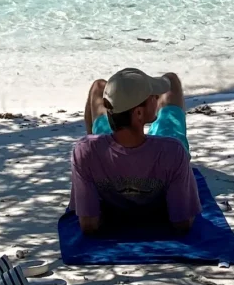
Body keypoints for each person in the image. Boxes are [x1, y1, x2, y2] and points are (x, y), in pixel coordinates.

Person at [70, 68, 200, 236]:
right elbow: (182, 223)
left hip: (105, 149)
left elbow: (88, 225)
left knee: (98, 87)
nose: (156, 97)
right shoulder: (173, 152)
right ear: (139, 113)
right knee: (171, 80)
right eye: (152, 97)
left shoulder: (85, 151)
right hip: (162, 153)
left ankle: (127, 101)